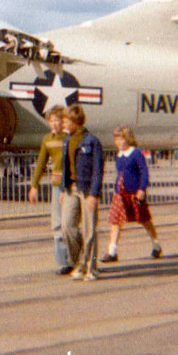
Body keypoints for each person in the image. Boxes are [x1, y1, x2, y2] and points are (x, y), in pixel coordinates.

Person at [102, 126, 162, 262]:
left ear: (127, 139)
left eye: (120, 139)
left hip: (134, 194)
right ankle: (112, 251)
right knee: (115, 221)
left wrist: (142, 189)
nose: (117, 142)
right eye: (116, 139)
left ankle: (156, 245)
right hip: (120, 194)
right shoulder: (119, 155)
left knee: (145, 220)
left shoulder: (136, 153)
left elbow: (144, 172)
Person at [26, 105, 73, 274]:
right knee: (57, 224)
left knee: (71, 224)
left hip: (70, 186)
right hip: (55, 187)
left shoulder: (69, 138)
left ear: (63, 121)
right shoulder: (47, 140)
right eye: (51, 121)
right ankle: (63, 263)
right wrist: (34, 185)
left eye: (57, 120)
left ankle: (75, 258)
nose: (54, 124)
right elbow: (41, 163)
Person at [60, 105, 103, 281]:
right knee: (67, 226)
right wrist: (64, 188)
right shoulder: (67, 141)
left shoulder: (92, 141)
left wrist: (94, 193)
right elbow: (65, 167)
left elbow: (98, 170)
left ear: (75, 122)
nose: (64, 123)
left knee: (89, 230)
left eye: (66, 120)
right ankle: (79, 263)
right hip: (71, 189)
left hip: (86, 189)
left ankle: (91, 268)